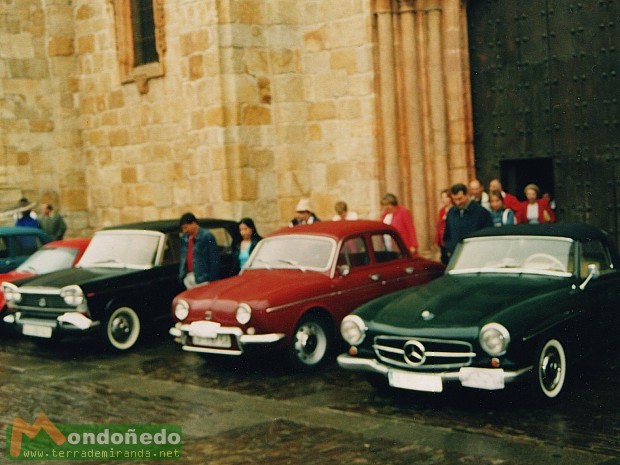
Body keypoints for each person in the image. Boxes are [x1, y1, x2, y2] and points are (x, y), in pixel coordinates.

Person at [443, 183, 493, 260]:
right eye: (454, 199)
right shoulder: (451, 212)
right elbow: (447, 235)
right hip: (456, 257)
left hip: (476, 257)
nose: (457, 202)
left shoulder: (481, 212)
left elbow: (488, 236)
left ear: (467, 195)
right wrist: (450, 249)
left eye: (460, 199)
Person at [178, 212, 220, 289]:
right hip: (188, 276)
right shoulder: (185, 238)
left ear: (193, 224)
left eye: (186, 227)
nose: (184, 231)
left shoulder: (207, 236)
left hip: (203, 278)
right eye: (183, 228)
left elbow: (214, 259)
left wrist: (212, 280)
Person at [434, 189, 452, 264]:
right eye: (442, 197)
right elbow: (439, 225)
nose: (444, 200)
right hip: (442, 239)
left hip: (449, 238)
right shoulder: (442, 210)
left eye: (446, 197)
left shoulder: (453, 209)